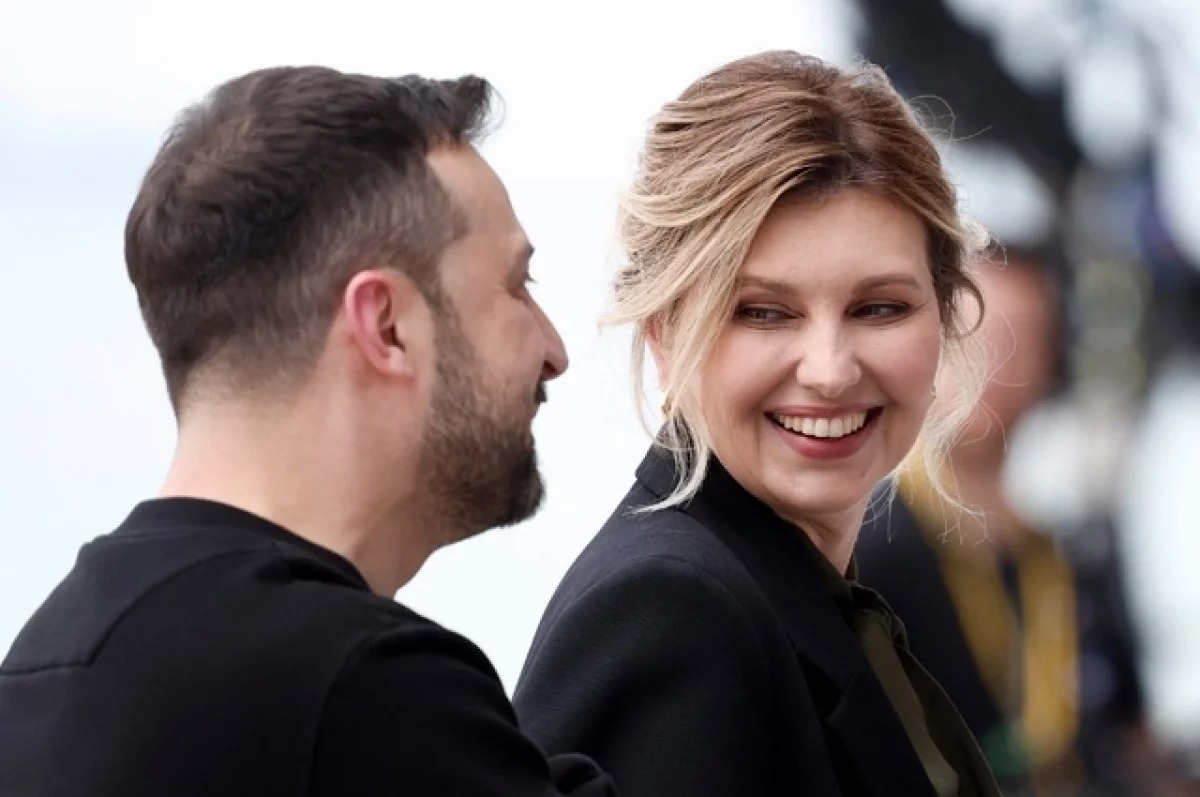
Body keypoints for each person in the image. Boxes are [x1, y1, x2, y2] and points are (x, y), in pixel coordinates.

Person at [0, 66, 615, 797]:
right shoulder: (362, 691)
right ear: (386, 324)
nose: (555, 350)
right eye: (518, 285)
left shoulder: (45, 665)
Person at [512, 50, 1003, 797]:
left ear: (942, 315)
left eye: (879, 308)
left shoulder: (796, 595)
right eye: (763, 312)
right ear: (664, 333)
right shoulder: (677, 610)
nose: (830, 369)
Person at [855, 250, 1161, 796]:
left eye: (1018, 338)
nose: (992, 364)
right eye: (973, 337)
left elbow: (1130, 730)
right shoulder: (869, 541)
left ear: (1051, 359)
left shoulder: (1072, 550)